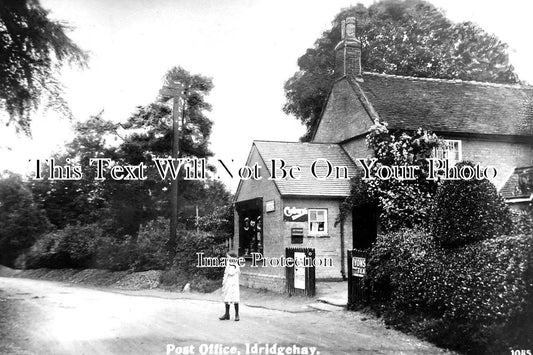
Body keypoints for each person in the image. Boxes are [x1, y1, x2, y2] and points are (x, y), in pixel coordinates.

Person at [219, 251, 240, 321]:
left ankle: (237, 315)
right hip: (228, 283)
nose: (227, 258)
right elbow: (226, 273)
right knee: (227, 298)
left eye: (228, 257)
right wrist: (224, 282)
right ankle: (227, 314)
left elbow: (231, 273)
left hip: (234, 284)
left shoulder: (235, 265)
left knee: (235, 298)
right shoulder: (229, 264)